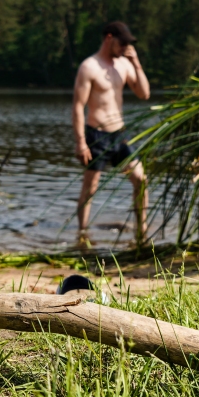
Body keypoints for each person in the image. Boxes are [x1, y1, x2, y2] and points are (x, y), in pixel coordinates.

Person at [72, 21, 151, 241]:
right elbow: (78, 107)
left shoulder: (124, 65)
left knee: (140, 178)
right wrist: (80, 142)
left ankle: (140, 230)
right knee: (91, 186)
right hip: (96, 134)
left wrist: (136, 63)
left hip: (120, 135)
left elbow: (144, 94)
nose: (125, 47)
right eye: (122, 42)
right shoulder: (90, 66)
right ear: (109, 38)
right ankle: (82, 233)